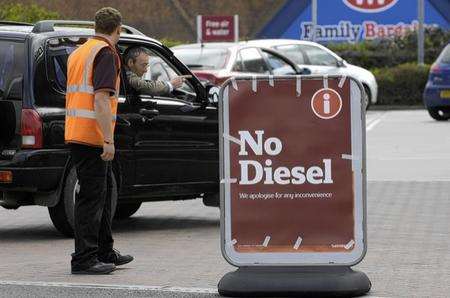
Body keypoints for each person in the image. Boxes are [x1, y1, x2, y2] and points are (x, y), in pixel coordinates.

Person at [65, 7, 133, 275]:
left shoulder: (80, 51)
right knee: (92, 199)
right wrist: (108, 140)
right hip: (92, 136)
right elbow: (101, 98)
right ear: (118, 29)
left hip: (78, 133)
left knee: (102, 196)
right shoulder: (106, 53)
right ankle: (84, 258)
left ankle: (104, 251)